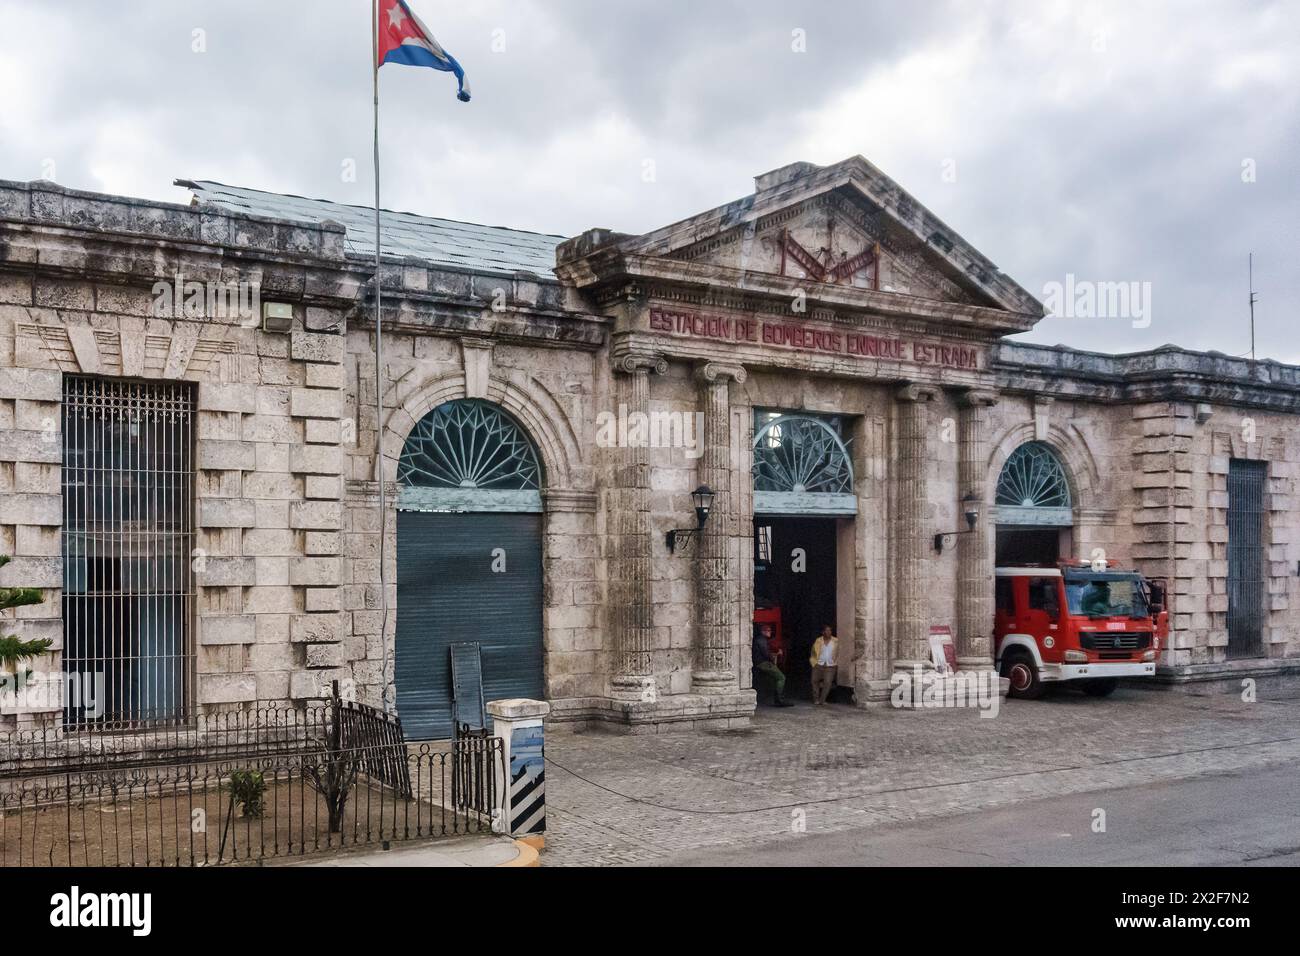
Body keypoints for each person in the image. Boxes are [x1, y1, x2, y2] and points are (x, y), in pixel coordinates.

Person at [752, 624, 792, 707]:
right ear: (763, 632)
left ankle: (778, 698)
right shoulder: (761, 641)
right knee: (781, 678)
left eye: (770, 630)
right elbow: (766, 654)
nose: (770, 632)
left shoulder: (761, 640)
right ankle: (780, 700)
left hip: (762, 663)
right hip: (763, 664)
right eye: (768, 630)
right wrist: (777, 654)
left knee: (774, 680)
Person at [809, 624, 839, 705]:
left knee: (828, 682)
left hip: (830, 665)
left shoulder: (836, 641)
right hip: (818, 664)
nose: (829, 632)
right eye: (827, 630)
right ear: (822, 632)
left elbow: (840, 652)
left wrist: (836, 661)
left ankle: (822, 700)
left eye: (830, 630)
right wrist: (813, 662)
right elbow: (813, 652)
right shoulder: (818, 641)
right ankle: (816, 699)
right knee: (814, 681)